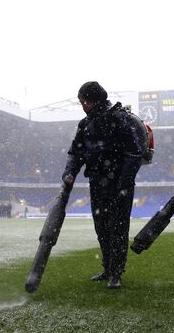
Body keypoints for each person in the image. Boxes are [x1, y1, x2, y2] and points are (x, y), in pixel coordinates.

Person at [62, 81, 144, 289]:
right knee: (102, 227)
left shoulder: (119, 118)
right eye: (81, 102)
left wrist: (123, 183)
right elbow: (76, 152)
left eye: (86, 102)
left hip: (119, 184)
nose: (83, 106)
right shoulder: (85, 124)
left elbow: (134, 153)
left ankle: (116, 273)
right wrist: (70, 172)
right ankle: (108, 268)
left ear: (97, 100)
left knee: (117, 227)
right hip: (97, 182)